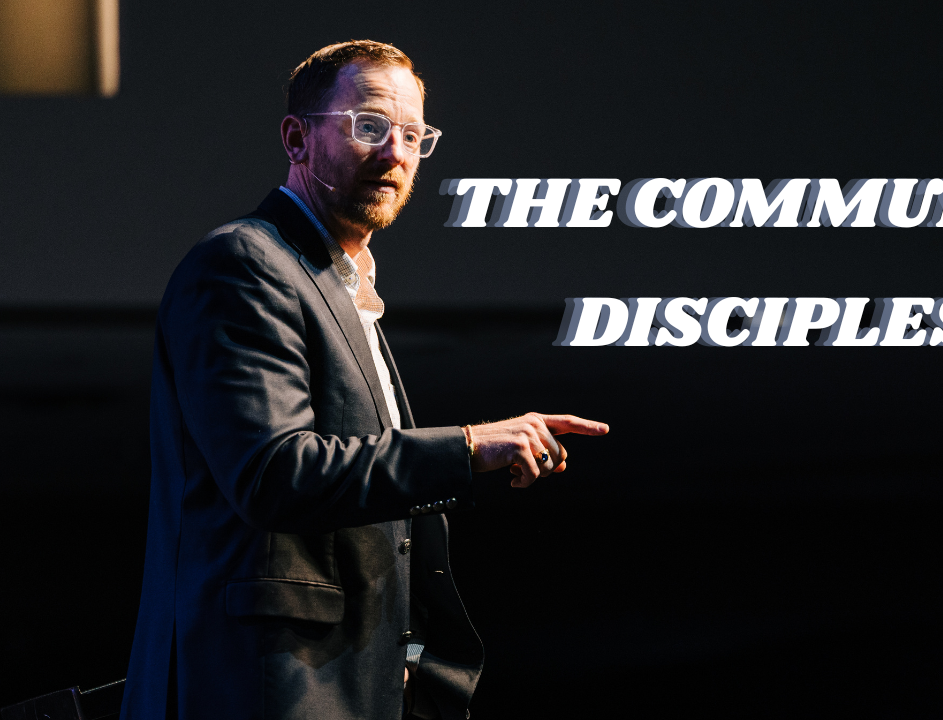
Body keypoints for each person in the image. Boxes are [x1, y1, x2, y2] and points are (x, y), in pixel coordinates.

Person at [119, 40, 608, 720]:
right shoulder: (244, 263)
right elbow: (274, 473)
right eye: (370, 126)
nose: (395, 153)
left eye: (413, 135)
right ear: (297, 138)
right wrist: (468, 447)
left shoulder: (343, 288)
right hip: (263, 691)